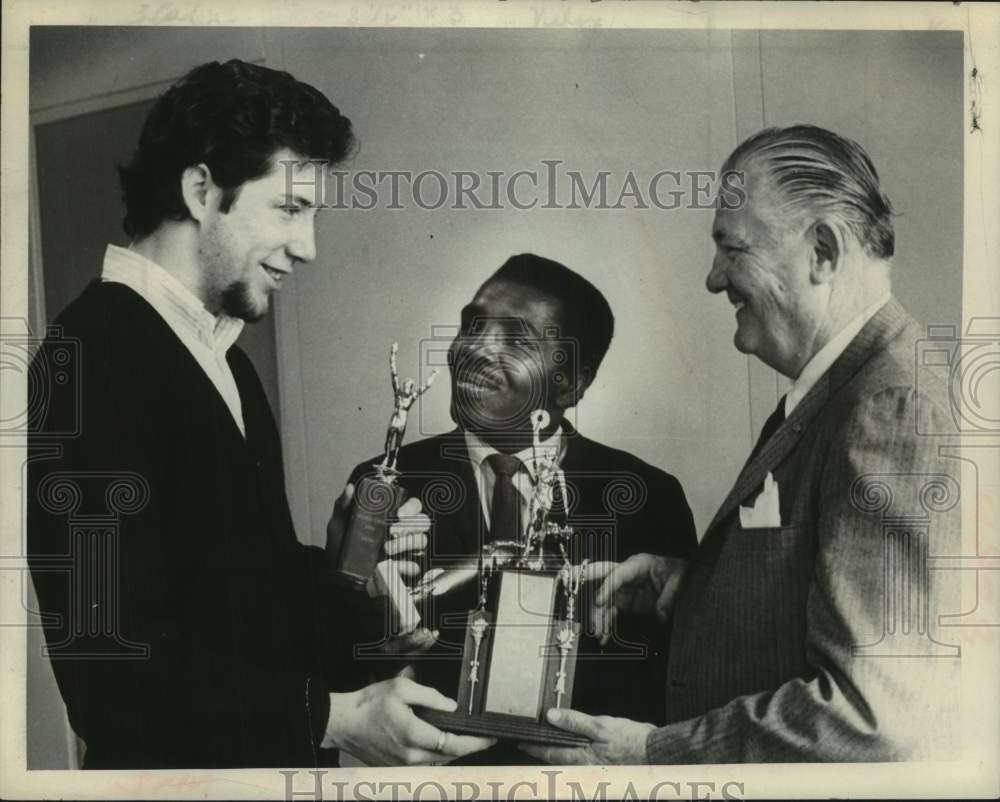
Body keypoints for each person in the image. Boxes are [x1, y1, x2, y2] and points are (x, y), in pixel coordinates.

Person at [26, 59, 493, 769]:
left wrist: (346, 570)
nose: (308, 248)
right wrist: (336, 718)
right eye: (289, 209)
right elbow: (109, 678)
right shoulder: (85, 360)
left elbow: (242, 609)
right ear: (201, 189)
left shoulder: (225, 359)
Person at [529, 125, 962, 763]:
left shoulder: (889, 409)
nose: (712, 279)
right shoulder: (844, 388)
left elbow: (872, 718)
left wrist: (655, 753)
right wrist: (698, 589)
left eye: (732, 249)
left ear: (821, 250)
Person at [342, 253, 698, 763]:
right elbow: (339, 666)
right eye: (472, 325)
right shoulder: (382, 487)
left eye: (516, 339)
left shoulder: (648, 497)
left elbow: (679, 683)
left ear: (571, 383)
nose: (475, 349)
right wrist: (369, 640)